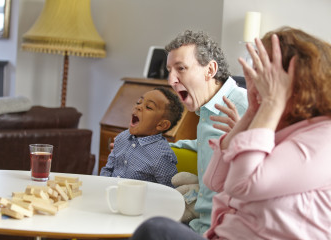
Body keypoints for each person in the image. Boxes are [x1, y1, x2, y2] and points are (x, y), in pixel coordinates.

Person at [129, 26, 331, 239]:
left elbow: (241, 185)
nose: (171, 81)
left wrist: (266, 105)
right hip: (215, 230)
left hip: (216, 229)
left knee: (154, 229)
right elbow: (214, 179)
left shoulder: (318, 137)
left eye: (264, 73)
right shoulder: (257, 117)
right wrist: (253, 113)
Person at [165, 30, 248, 233]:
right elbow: (207, 144)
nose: (171, 80)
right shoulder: (207, 109)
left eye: (181, 69)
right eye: (169, 70)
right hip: (200, 226)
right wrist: (155, 148)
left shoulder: (246, 106)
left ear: (210, 70)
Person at [100, 87, 184, 187]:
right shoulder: (121, 137)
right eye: (139, 102)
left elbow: (170, 191)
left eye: (148, 107)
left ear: (161, 125)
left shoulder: (161, 155)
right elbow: (108, 169)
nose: (139, 107)